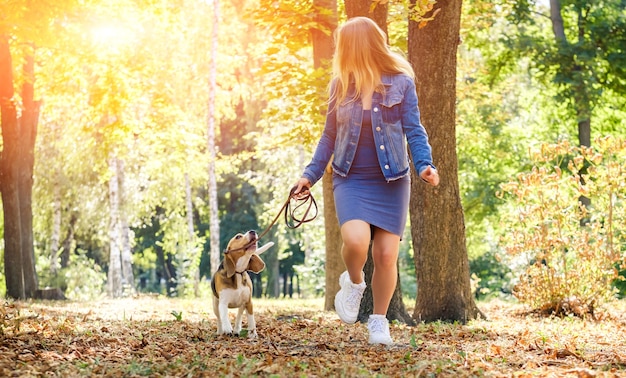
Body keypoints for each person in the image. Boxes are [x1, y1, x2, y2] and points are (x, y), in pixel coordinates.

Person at [292, 16, 440, 345]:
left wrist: (425, 165)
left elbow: (414, 130)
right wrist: (309, 175)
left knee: (387, 255)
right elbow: (328, 138)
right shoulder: (340, 85)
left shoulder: (401, 83)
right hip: (351, 177)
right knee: (357, 242)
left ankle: (378, 322)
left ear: (357, 45)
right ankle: (355, 283)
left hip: (392, 179)